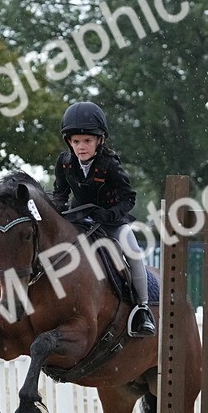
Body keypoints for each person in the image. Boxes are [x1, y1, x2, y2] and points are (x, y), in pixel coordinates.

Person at [50, 101, 156, 337]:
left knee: (133, 251)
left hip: (111, 222)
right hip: (78, 219)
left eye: (87, 141)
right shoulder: (65, 162)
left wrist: (108, 214)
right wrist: (56, 211)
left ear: (100, 140)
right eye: (76, 141)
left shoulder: (110, 165)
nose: (81, 147)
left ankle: (143, 308)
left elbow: (128, 198)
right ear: (69, 141)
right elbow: (59, 193)